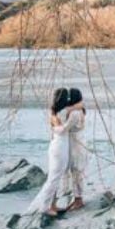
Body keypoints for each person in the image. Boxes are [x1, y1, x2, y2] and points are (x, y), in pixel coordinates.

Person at [26, 88, 75, 216]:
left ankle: (53, 205)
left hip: (61, 147)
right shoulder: (56, 114)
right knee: (53, 178)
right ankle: (44, 207)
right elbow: (61, 130)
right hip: (58, 148)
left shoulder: (62, 112)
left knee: (56, 177)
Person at [61, 87, 86, 212]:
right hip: (78, 142)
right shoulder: (79, 111)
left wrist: (55, 127)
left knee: (75, 171)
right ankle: (76, 198)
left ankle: (78, 200)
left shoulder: (74, 113)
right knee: (76, 171)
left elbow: (65, 128)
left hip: (74, 144)